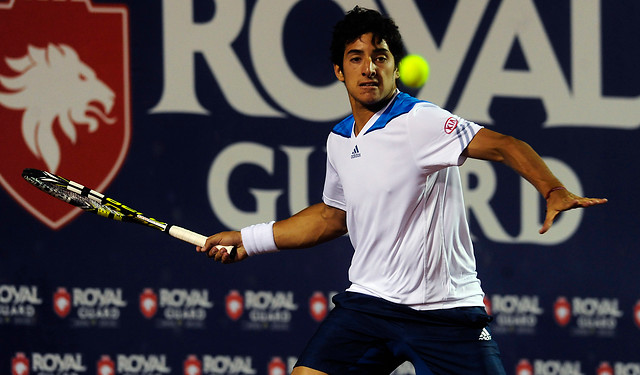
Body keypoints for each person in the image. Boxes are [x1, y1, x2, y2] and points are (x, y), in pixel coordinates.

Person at [197, 6, 607, 375]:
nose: (369, 69)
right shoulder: (340, 140)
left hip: (442, 311)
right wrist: (248, 240)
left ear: (395, 66)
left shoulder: (420, 121)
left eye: (380, 58)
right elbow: (331, 217)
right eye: (356, 59)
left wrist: (551, 189)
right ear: (339, 71)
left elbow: (504, 145)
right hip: (370, 305)